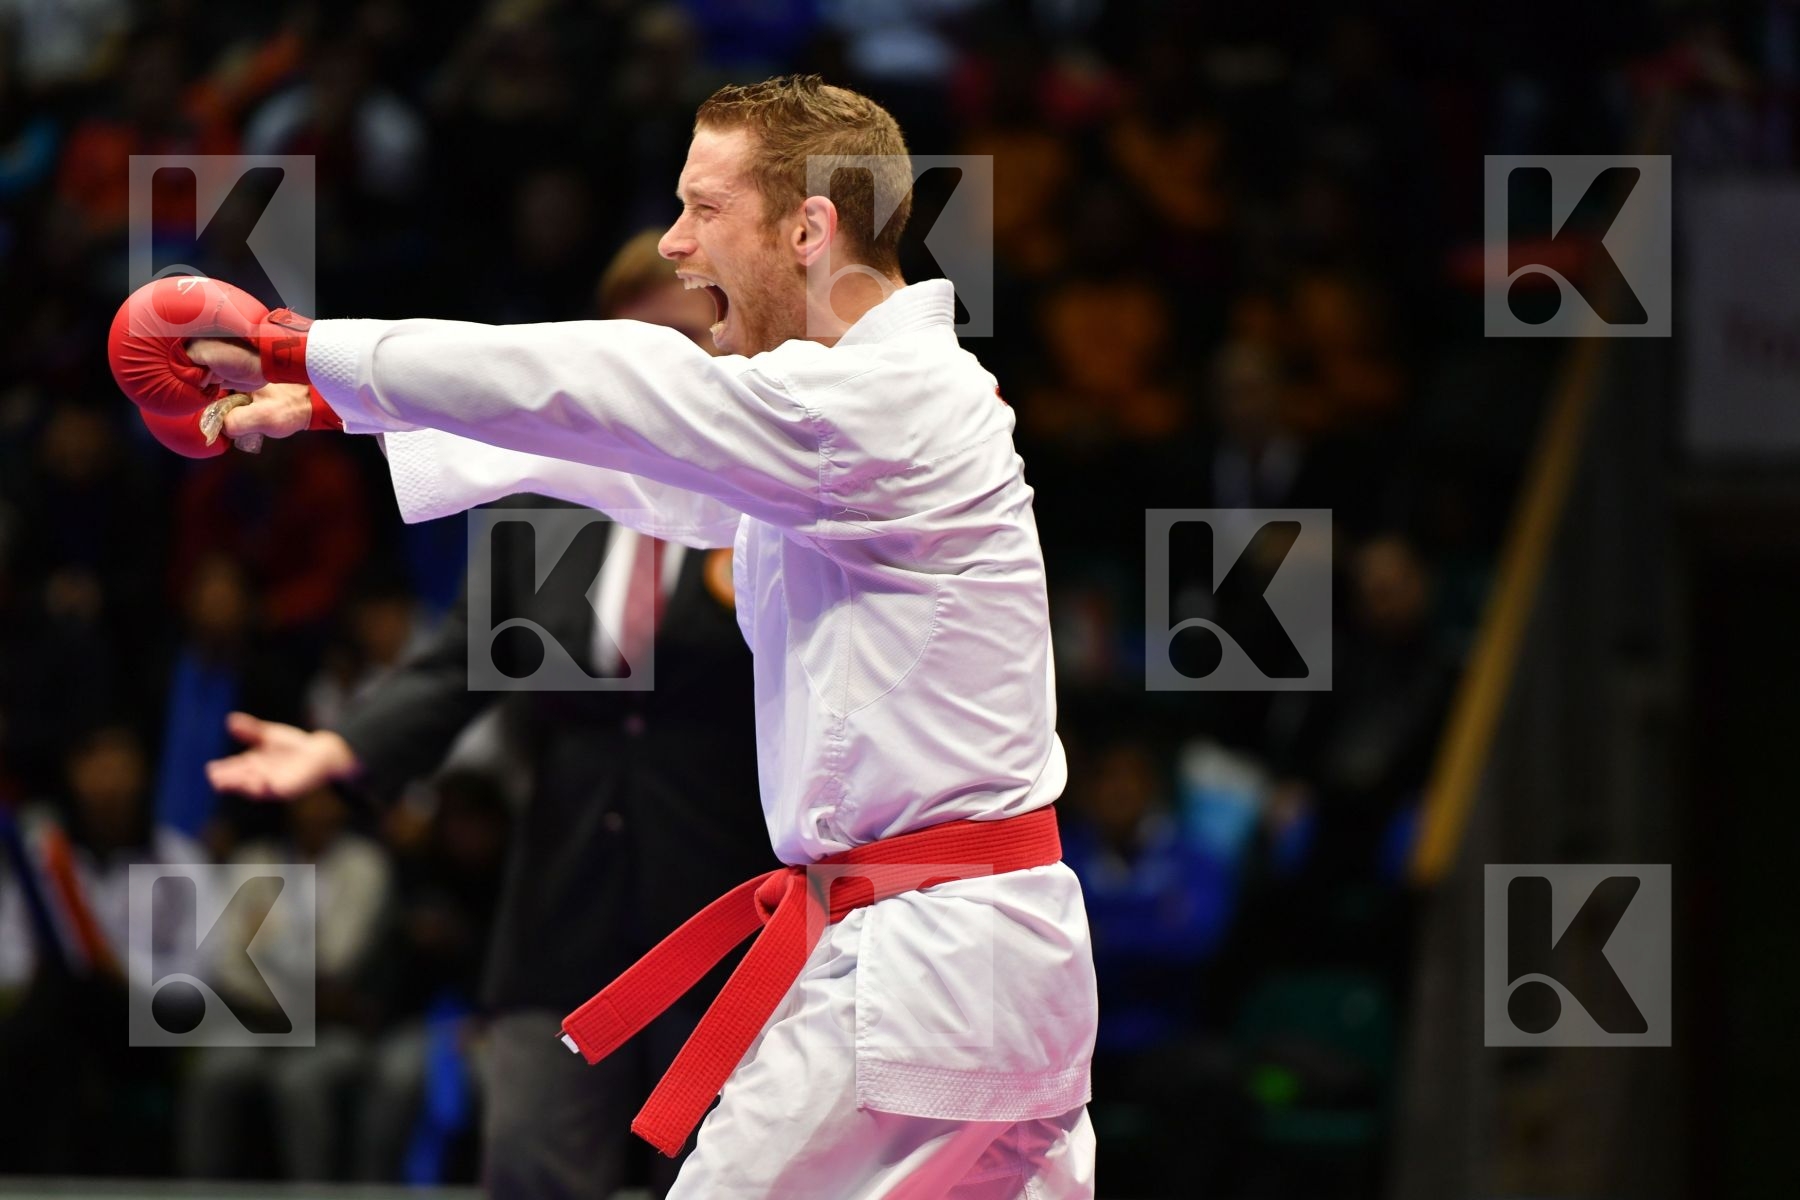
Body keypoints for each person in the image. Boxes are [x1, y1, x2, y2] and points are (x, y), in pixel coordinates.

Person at [121, 74, 1097, 1198]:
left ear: (810, 228)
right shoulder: (871, 412)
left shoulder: (876, 404)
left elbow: (613, 386)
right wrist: (341, 404)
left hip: (924, 963)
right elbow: (640, 464)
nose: (678, 246)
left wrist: (302, 346)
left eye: (702, 208)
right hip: (978, 961)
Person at [199, 231, 773, 1199]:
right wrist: (341, 743)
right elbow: (460, 663)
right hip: (561, 917)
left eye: (680, 340)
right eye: (627, 344)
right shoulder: (546, 499)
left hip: (727, 915)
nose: (650, 370)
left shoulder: (764, 490)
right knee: (534, 1168)